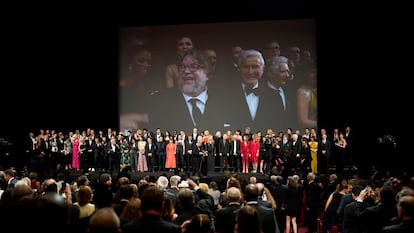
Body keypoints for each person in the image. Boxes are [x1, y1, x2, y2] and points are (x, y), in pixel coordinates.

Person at [147, 49, 227, 133]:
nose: (186, 71)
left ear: (207, 74)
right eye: (183, 67)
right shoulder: (159, 100)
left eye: (194, 66)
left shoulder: (223, 102)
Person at [225, 49, 284, 133]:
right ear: (239, 69)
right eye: (246, 67)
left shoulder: (274, 97)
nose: (250, 71)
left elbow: (279, 128)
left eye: (255, 67)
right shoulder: (226, 96)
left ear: (263, 69)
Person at [119, 45, 161, 132]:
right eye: (141, 60)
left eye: (149, 62)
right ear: (131, 61)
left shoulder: (153, 84)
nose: (146, 64)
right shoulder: (123, 86)